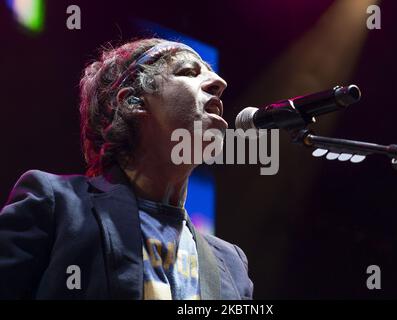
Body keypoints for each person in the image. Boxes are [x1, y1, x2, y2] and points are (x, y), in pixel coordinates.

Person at [0, 38, 253, 300]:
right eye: (188, 72)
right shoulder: (56, 204)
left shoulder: (231, 263)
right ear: (133, 102)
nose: (219, 82)